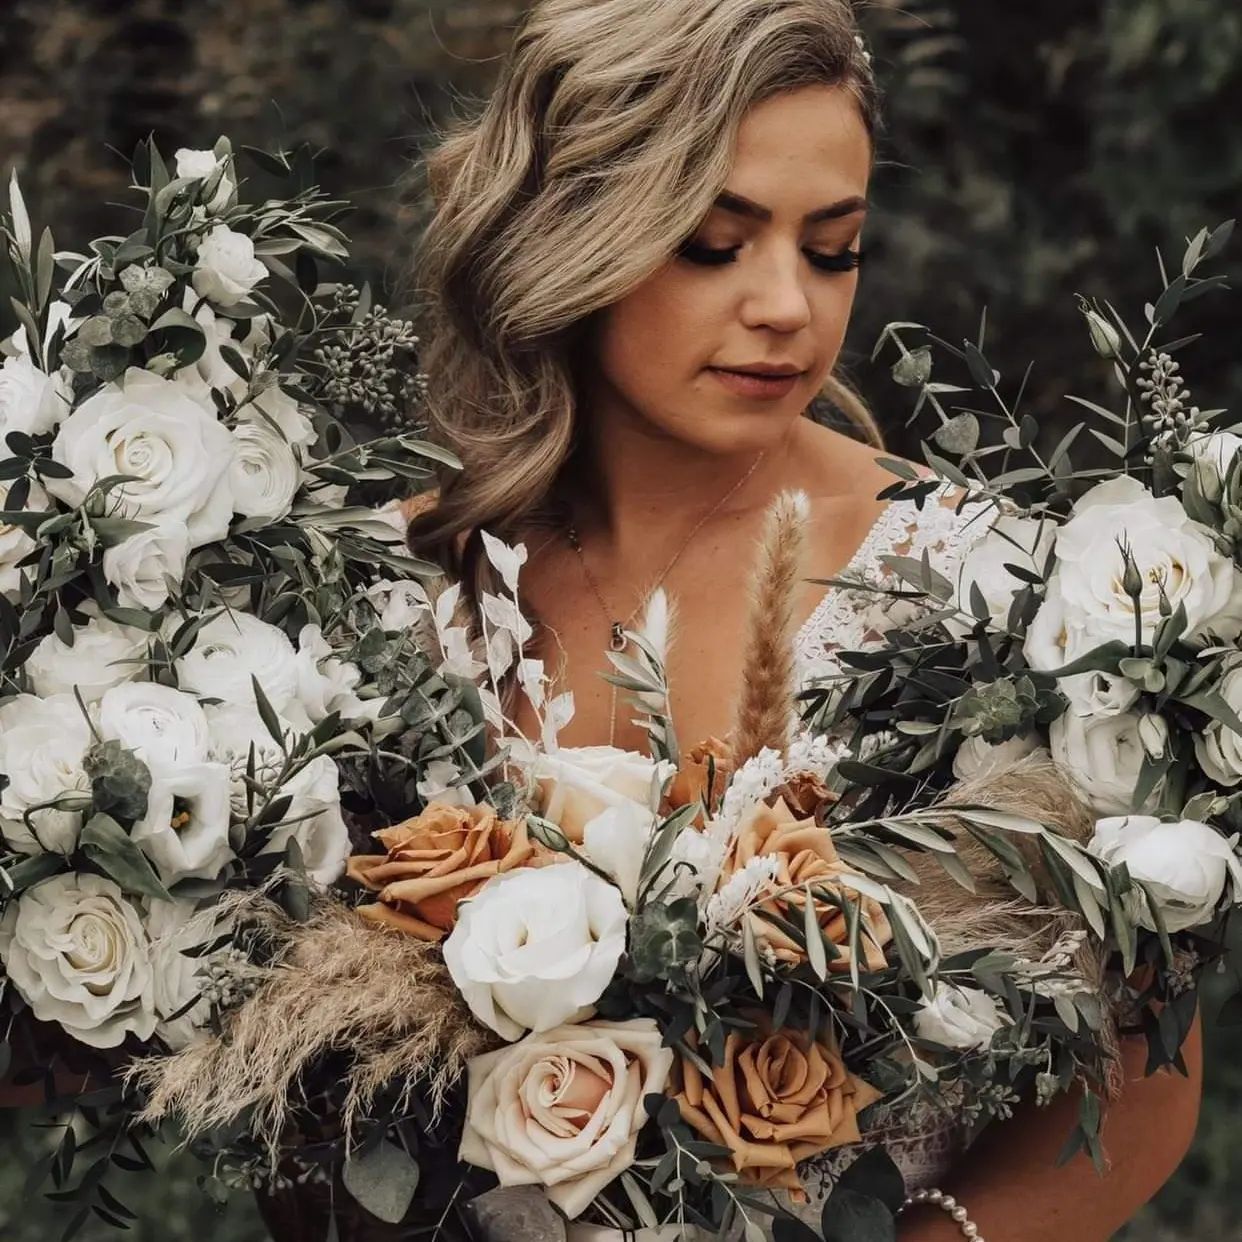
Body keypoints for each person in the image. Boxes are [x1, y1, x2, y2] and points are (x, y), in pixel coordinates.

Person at [403, 0, 1203, 1239]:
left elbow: (1146, 1088)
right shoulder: (396, 591)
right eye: (717, 244)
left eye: (832, 248)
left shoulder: (980, 592)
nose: (788, 305)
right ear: (567, 233)